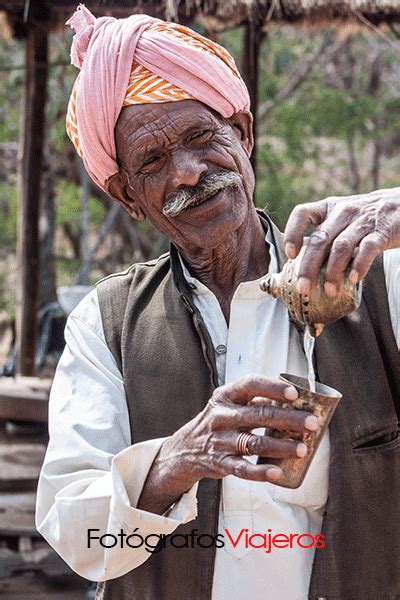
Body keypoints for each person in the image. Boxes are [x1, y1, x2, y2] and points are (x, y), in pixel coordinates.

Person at [36, 6, 400, 600]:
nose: (185, 173)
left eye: (202, 137)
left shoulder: (377, 282)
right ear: (129, 196)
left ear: (244, 134)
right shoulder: (106, 325)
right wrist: (176, 459)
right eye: (151, 162)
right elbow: (79, 539)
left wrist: (395, 209)